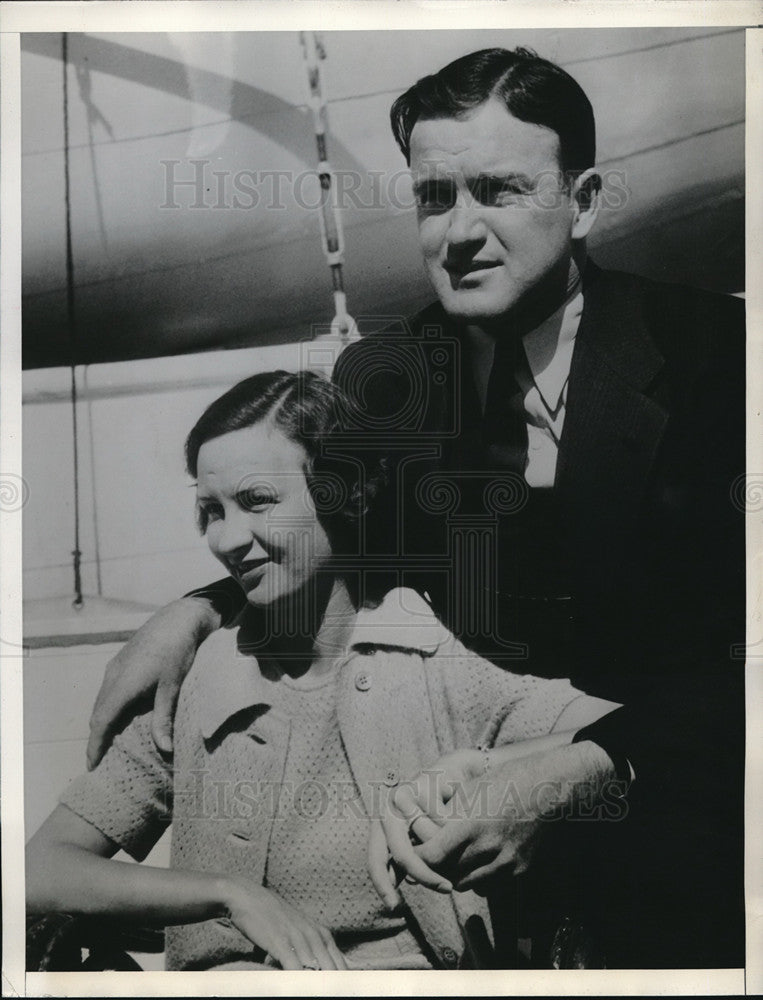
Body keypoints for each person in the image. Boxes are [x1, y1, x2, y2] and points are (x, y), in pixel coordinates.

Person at [83, 48, 745, 968]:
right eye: (435, 197)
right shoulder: (379, 382)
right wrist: (192, 612)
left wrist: (579, 770)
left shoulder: (722, 360)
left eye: (499, 190)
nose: (459, 232)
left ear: (583, 200)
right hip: (456, 892)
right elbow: (338, 545)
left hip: (689, 853)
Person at [26, 370, 618, 971]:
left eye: (257, 501)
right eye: (210, 511)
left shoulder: (436, 657)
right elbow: (42, 867)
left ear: (346, 494)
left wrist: (494, 773)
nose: (227, 539)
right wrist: (229, 896)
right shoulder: (199, 679)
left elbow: (628, 740)